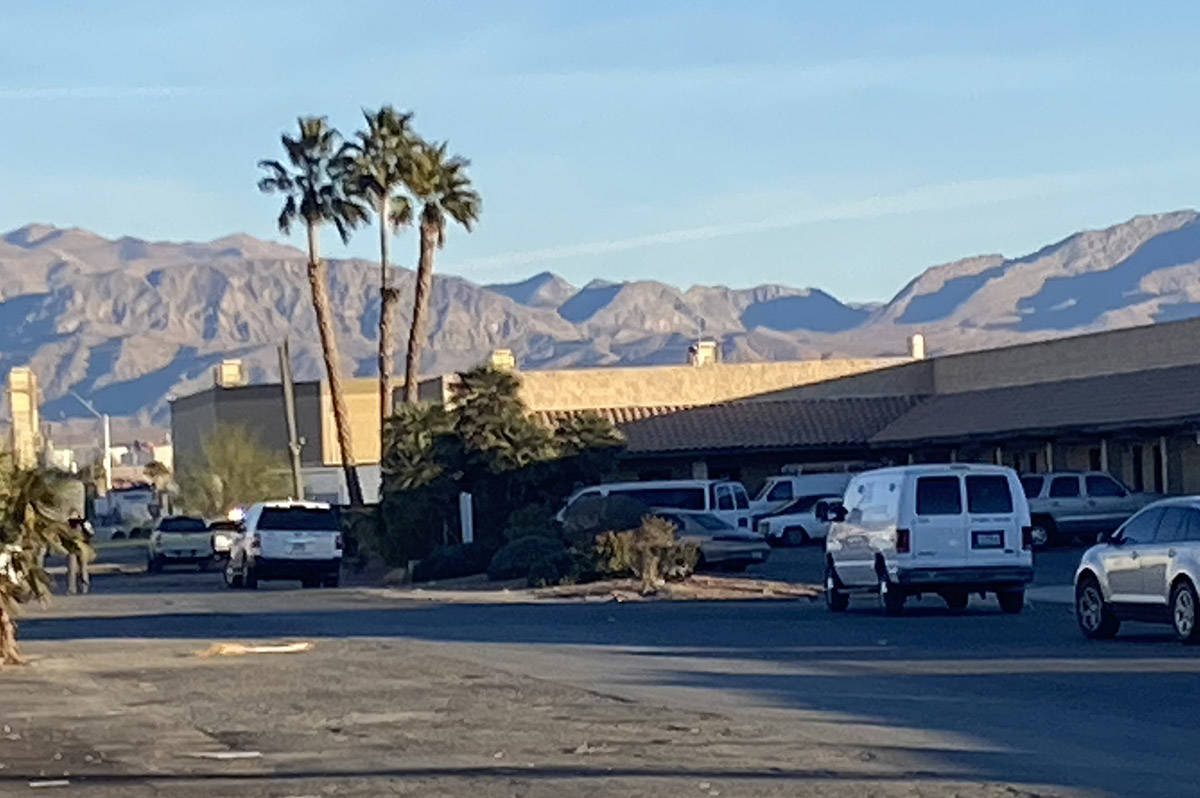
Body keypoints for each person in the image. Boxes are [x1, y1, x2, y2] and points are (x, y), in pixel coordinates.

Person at [66, 509, 94, 595]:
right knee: (72, 568)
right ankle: (72, 588)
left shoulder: (84, 522)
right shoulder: (67, 524)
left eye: (75, 515)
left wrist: (85, 530)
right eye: (72, 515)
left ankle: (84, 585)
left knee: (83, 568)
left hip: (83, 548)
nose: (73, 516)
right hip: (72, 548)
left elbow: (91, 533)